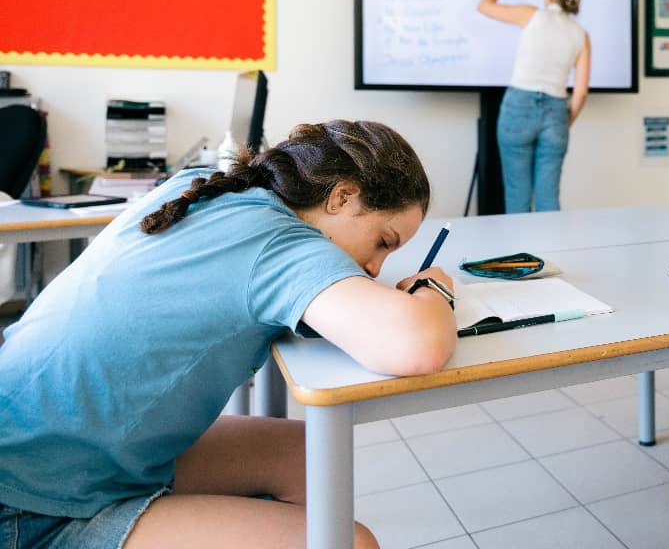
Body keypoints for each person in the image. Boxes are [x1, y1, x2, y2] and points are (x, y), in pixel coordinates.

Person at [0, 120, 459, 549]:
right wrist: (435, 287)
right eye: (383, 240)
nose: (376, 267)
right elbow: (417, 346)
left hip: (39, 438)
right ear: (341, 197)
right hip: (31, 501)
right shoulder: (278, 244)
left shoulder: (205, 189)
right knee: (352, 543)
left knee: (305, 455)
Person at [478, 0, 591, 213]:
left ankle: (520, 251)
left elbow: (485, 6)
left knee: (517, 195)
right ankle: (552, 250)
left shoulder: (531, 15)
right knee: (548, 198)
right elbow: (580, 93)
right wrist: (564, 121)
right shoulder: (581, 35)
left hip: (518, 107)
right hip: (556, 112)